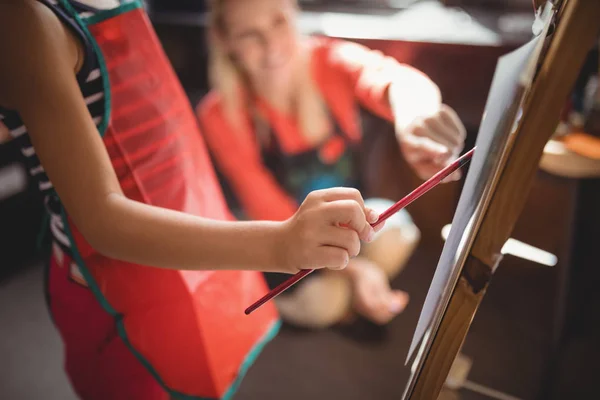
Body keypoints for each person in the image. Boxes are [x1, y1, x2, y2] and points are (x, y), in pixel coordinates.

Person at [0, 1, 383, 399]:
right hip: (113, 283)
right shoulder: (25, 18)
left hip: (189, 256)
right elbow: (102, 220)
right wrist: (281, 243)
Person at [197, 0, 467, 329]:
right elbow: (272, 214)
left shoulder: (326, 60)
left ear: (293, 14)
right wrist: (357, 270)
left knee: (398, 234)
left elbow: (391, 78)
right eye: (249, 35)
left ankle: (348, 300)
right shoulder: (219, 115)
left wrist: (415, 119)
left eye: (278, 22)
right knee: (322, 303)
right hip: (285, 240)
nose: (271, 45)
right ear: (225, 42)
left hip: (349, 222)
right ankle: (327, 303)